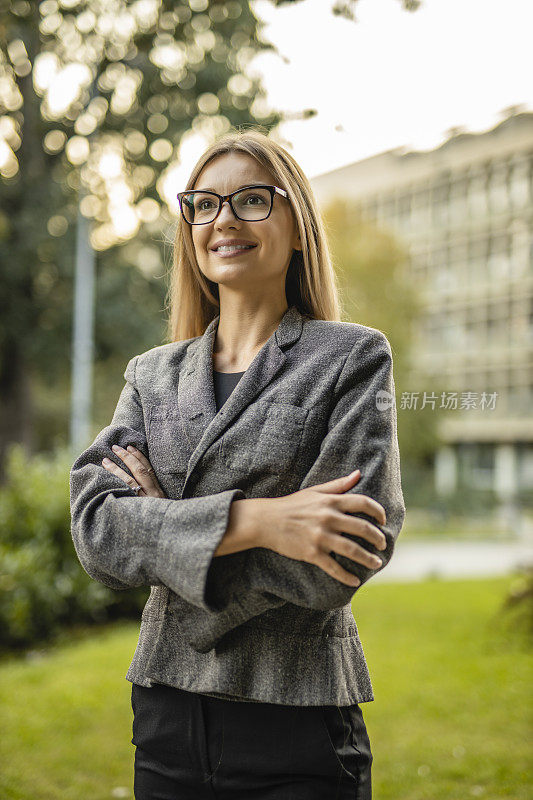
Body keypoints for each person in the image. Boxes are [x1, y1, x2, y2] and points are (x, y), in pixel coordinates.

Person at [69, 127, 406, 800]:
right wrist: (259, 520)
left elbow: (339, 562)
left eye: (252, 199)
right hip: (164, 717)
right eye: (204, 203)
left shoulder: (350, 358)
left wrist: (164, 527)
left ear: (298, 226)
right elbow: (99, 532)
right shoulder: (151, 376)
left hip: (300, 717)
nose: (223, 218)